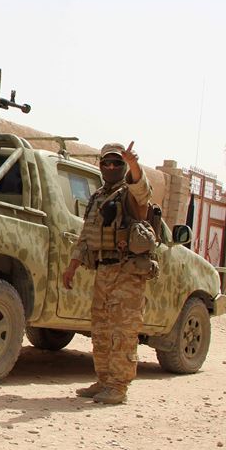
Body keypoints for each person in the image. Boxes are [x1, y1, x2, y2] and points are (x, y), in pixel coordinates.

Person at [62, 142, 154, 405]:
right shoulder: (99, 196)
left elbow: (142, 190)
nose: (111, 167)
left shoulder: (129, 194)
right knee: (101, 329)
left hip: (126, 273)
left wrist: (134, 164)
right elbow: (86, 235)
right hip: (103, 271)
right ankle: (104, 381)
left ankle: (118, 386)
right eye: (107, 163)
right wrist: (73, 265)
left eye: (117, 163)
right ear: (101, 165)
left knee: (122, 331)